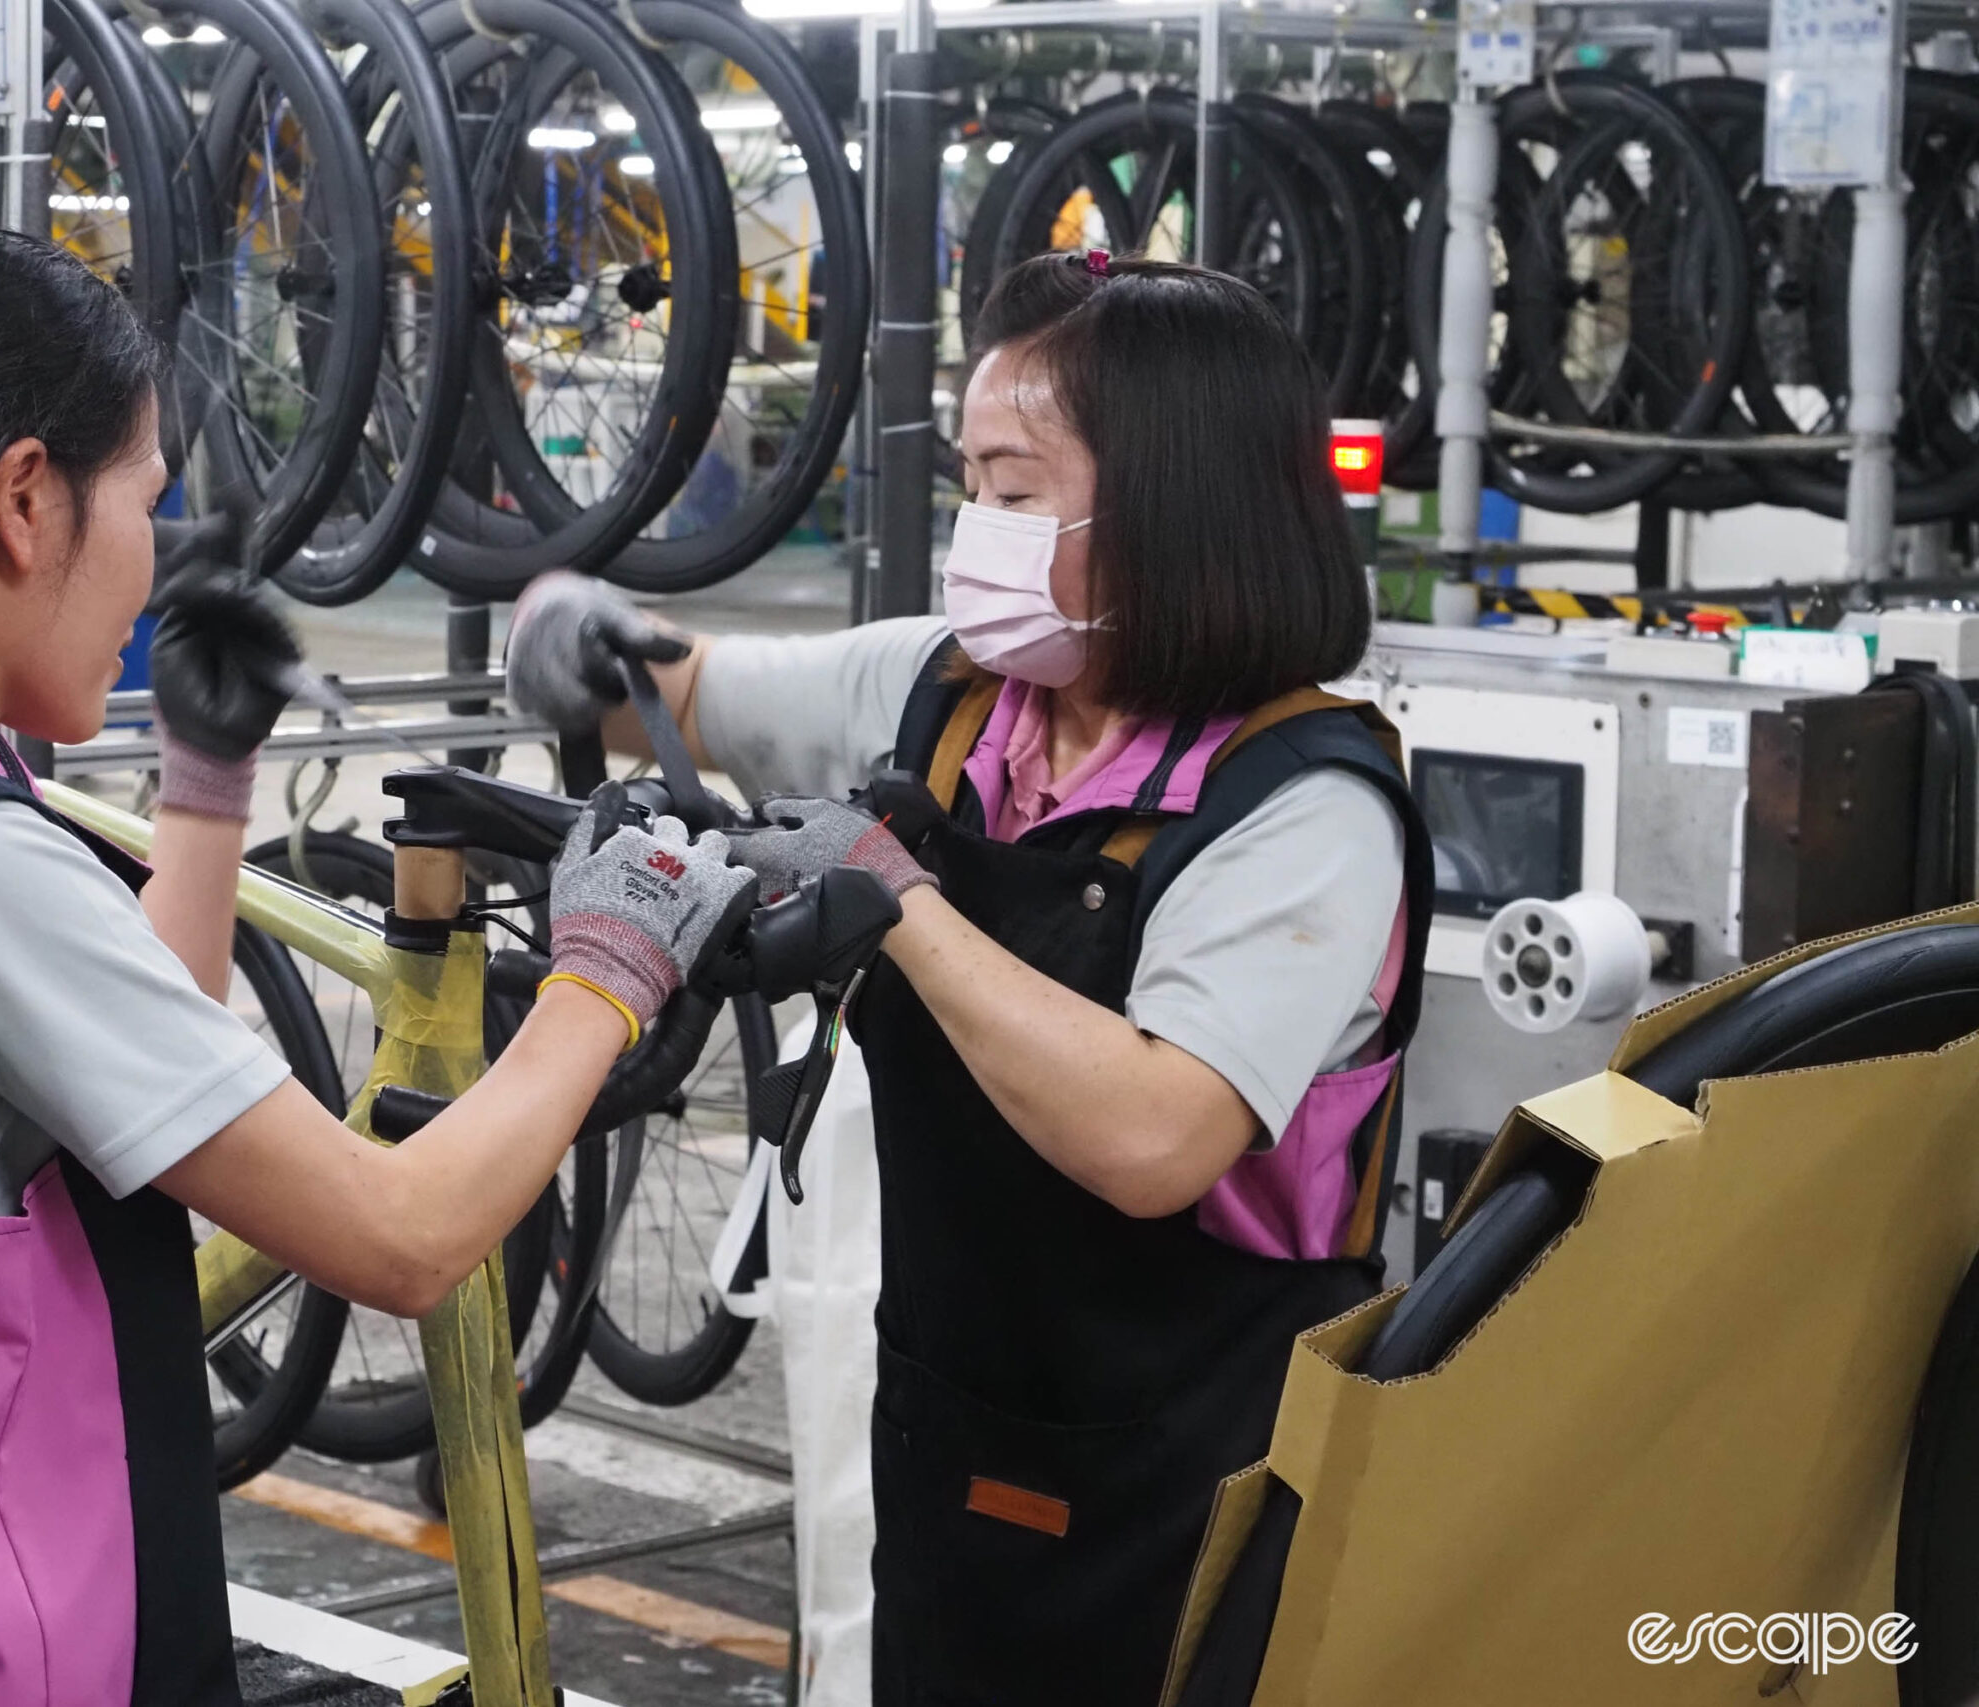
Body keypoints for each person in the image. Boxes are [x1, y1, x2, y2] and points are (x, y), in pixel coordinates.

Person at [0, 225, 756, 1707]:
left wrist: (202, 786)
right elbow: (399, 1235)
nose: (153, 548)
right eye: (145, 495)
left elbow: (118, 1071)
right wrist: (607, 970)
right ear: (24, 498)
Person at [505, 253, 1435, 1705]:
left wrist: (900, 901)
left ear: (1175, 508)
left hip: (1209, 1486)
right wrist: (583, 638)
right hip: (961, 1430)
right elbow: (694, 694)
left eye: (1015, 489)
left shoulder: (1302, 807)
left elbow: (1155, 1137)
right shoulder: (955, 698)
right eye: (970, 486)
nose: (976, 531)